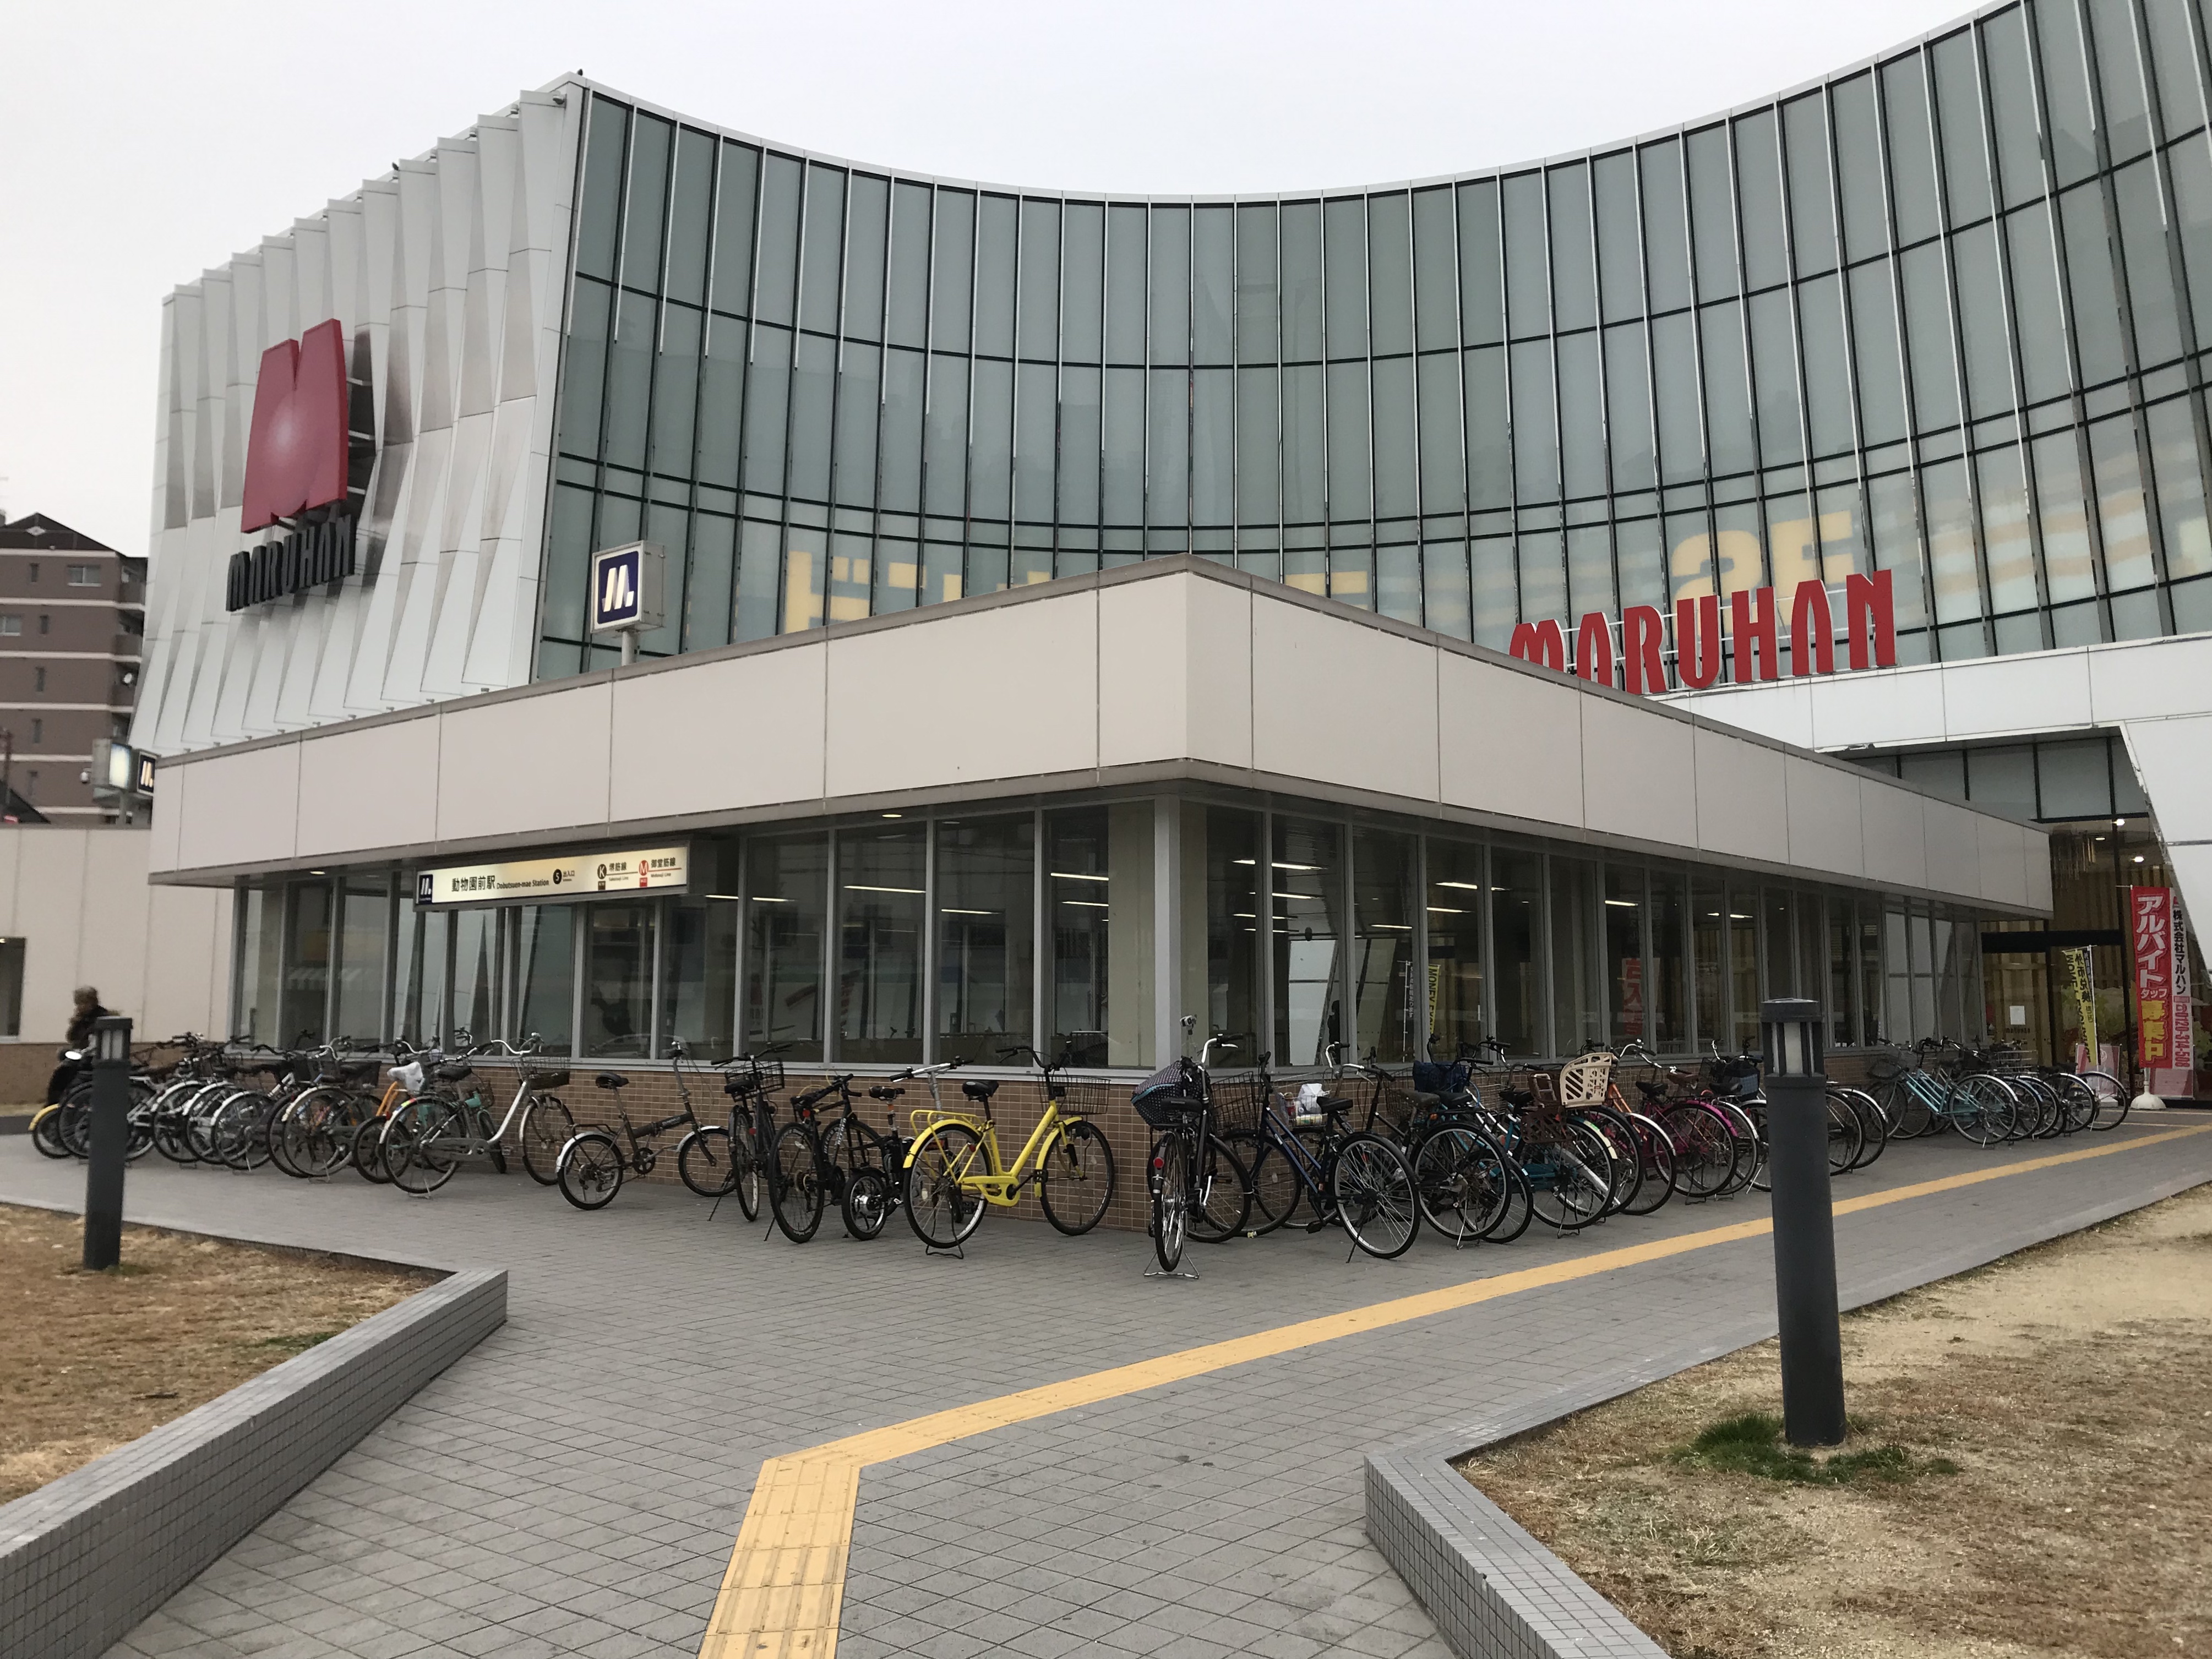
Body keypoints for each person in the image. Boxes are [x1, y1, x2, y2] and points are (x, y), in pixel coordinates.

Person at [46, 986, 112, 1105]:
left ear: (91, 1002)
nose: (79, 1007)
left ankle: (61, 1101)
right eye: (78, 1004)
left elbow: (95, 1043)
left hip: (93, 1056)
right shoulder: (83, 1018)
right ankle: (55, 1101)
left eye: (82, 1003)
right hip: (82, 1053)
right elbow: (71, 1038)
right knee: (63, 1064)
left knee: (67, 1072)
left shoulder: (101, 1018)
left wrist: (83, 1052)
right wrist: (75, 1022)